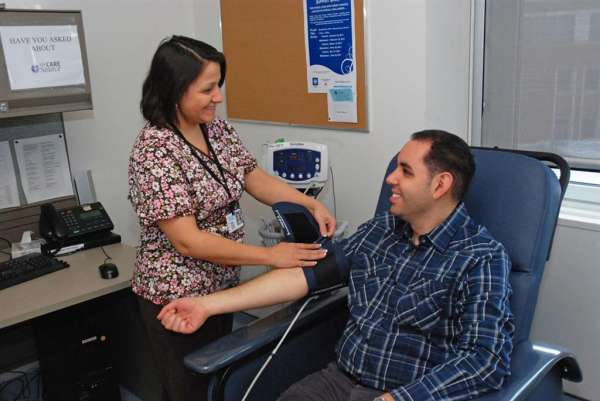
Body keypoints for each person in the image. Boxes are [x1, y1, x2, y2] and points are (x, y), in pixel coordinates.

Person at [158, 130, 516, 401]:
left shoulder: (480, 258)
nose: (390, 178)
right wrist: (207, 304)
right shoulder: (380, 231)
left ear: (440, 184)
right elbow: (305, 274)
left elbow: (485, 360)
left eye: (405, 171)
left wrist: (398, 399)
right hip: (339, 381)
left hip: (406, 393)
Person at [128, 36, 335, 401]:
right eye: (207, 89)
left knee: (222, 380)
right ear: (175, 89)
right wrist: (271, 256)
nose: (218, 98)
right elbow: (187, 240)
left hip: (222, 284)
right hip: (177, 294)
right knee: (188, 389)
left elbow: (255, 180)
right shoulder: (155, 150)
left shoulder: (217, 130)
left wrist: (309, 204)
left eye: (219, 86)